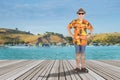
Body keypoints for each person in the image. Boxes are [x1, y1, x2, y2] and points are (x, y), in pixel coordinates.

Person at [67, 8, 93, 73]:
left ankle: (83, 67)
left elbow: (91, 29)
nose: (81, 14)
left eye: (82, 13)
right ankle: (78, 67)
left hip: (84, 40)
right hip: (76, 40)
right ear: (77, 14)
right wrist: (71, 35)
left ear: (84, 14)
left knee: (83, 54)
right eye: (79, 13)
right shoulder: (74, 22)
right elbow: (68, 27)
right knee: (77, 54)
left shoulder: (86, 22)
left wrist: (89, 34)